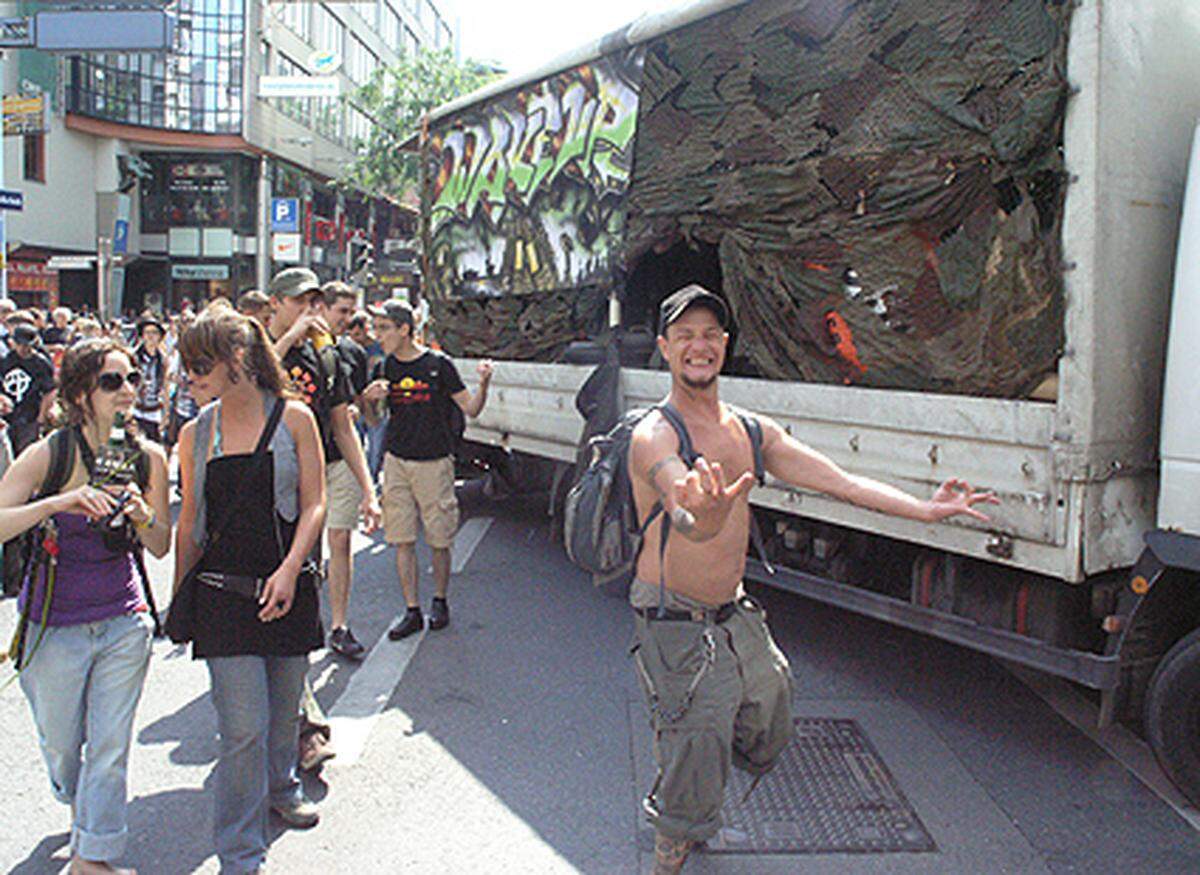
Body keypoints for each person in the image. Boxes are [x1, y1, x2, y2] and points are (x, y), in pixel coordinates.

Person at [626, 284, 998, 874]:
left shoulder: (751, 432)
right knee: (696, 744)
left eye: (709, 335)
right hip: (674, 620)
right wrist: (705, 516)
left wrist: (926, 511)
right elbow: (683, 511)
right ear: (666, 349)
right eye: (685, 336)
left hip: (732, 611)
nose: (698, 346)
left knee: (770, 706)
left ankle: (692, 757)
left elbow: (843, 484)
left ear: (724, 345)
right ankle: (673, 841)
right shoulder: (656, 434)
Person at [0, 337, 171, 875]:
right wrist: (58, 502)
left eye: (131, 380)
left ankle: (91, 858)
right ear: (79, 393)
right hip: (53, 627)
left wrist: (143, 515)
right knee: (64, 748)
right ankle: (83, 812)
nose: (126, 392)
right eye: (111, 382)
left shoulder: (147, 457)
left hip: (123, 621)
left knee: (109, 747)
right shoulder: (50, 453)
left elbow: (162, 544)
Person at [174, 302, 327, 873]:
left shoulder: (294, 419)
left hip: (289, 588)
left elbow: (314, 503)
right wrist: (178, 601)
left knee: (284, 710)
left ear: (237, 359)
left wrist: (290, 569)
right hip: (221, 594)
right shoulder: (196, 433)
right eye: (186, 365)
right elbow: (192, 522)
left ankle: (283, 787)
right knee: (241, 728)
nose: (190, 376)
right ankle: (239, 848)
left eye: (200, 365)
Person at [361, 300, 493, 640]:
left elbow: (472, 409)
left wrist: (484, 383)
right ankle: (411, 610)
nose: (379, 336)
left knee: (438, 538)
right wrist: (368, 401)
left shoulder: (438, 365)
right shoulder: (385, 367)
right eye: (377, 329)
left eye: (385, 328)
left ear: (404, 329)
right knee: (401, 538)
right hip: (397, 461)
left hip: (434, 461)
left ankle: (439, 601)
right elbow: (374, 421)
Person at [267, 269, 380, 655]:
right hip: (271, 472)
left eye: (313, 302)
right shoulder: (256, 343)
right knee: (280, 562)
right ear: (276, 303)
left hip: (321, 468)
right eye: (299, 301)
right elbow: (249, 385)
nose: (308, 310)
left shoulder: (327, 355)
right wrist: (289, 338)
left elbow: (342, 425)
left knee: (319, 555)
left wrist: (369, 489)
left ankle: (327, 634)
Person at [0, 317, 56, 455]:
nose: (23, 349)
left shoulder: (41, 363)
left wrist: (41, 418)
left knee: (24, 454)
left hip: (30, 415)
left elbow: (49, 391)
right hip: (7, 415)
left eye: (27, 345)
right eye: (20, 344)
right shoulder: (7, 360)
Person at [347, 310, 386, 481]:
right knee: (356, 442)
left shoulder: (379, 348)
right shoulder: (350, 349)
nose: (354, 338)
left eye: (357, 334)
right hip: (357, 401)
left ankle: (371, 478)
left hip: (377, 404)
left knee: (375, 445)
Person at [131, 316, 167, 442]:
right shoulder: (134, 357)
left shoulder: (163, 359)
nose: (151, 336)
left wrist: (166, 413)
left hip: (154, 411)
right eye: (147, 332)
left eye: (154, 332)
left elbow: (165, 386)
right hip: (136, 410)